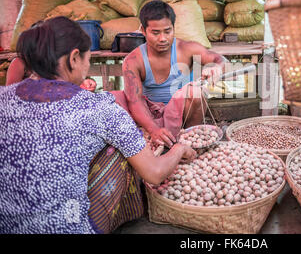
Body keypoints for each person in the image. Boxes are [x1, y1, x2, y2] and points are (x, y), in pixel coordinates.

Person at [0, 16, 196, 234]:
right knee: (118, 150)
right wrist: (179, 149)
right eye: (88, 58)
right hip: (66, 230)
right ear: (74, 58)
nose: (88, 64)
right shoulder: (98, 108)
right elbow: (155, 173)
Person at [112, 0, 227, 148]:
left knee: (195, 93)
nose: (163, 38)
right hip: (151, 118)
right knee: (114, 98)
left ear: (173, 28)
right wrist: (154, 130)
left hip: (183, 116)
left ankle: (190, 142)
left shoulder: (186, 49)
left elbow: (219, 59)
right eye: (155, 33)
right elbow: (135, 100)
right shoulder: (133, 60)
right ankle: (156, 138)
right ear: (143, 30)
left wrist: (217, 67)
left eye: (168, 31)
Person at [6, 57, 97, 92]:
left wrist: (84, 84)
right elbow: (10, 94)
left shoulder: (54, 61)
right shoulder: (19, 63)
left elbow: (65, 84)